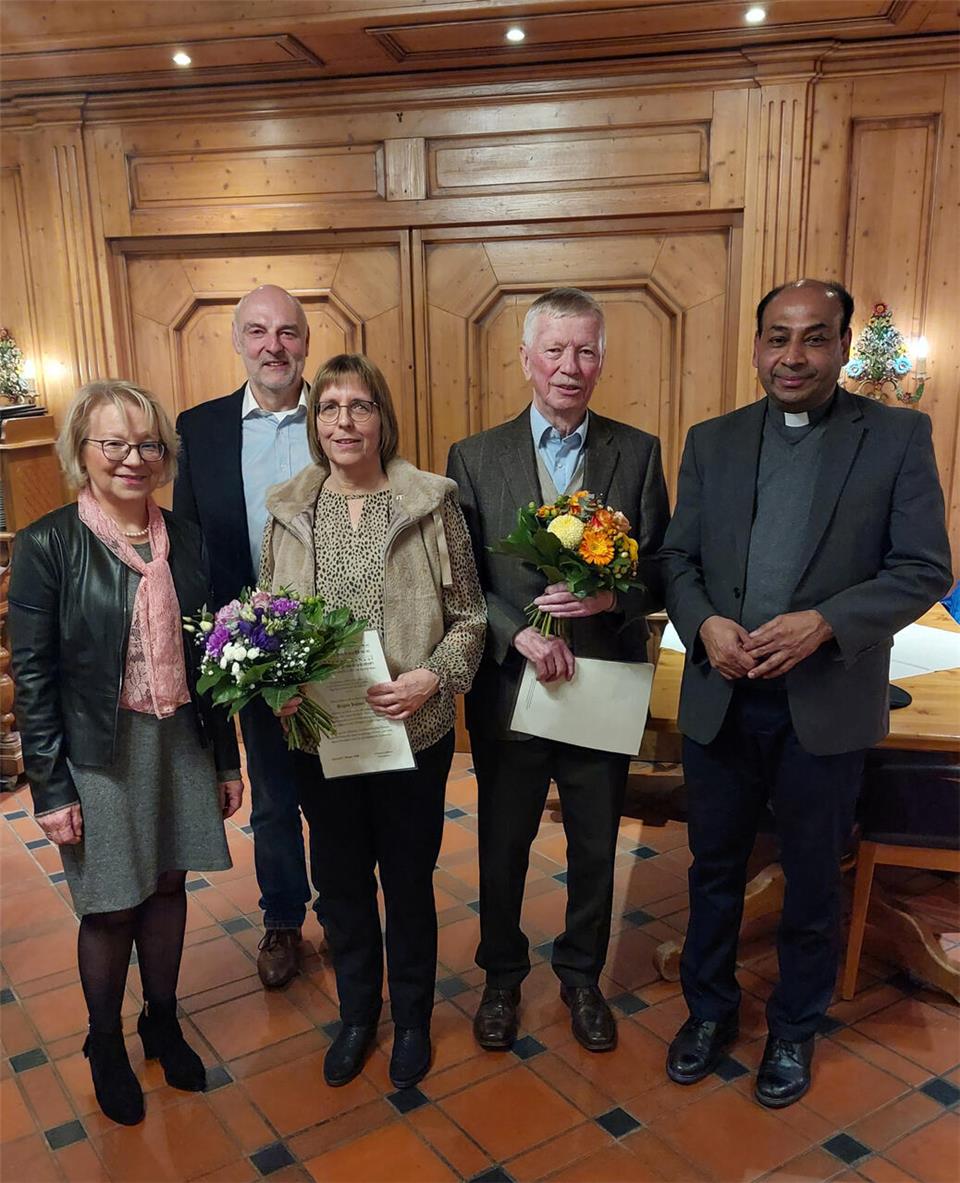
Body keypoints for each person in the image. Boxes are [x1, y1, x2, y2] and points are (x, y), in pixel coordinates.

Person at [661, 279, 953, 1107]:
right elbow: (676, 560)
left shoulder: (895, 437)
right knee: (713, 868)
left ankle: (793, 1026)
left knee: (816, 878)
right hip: (723, 694)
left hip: (824, 702)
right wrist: (704, 623)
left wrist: (825, 622)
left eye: (814, 337)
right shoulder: (712, 440)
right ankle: (709, 1010)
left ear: (842, 347)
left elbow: (923, 567)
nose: (793, 356)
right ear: (757, 345)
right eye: (778, 337)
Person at [9, 381, 243, 1127]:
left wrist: (227, 761)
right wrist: (50, 787)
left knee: (169, 884)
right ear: (81, 450)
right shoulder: (49, 545)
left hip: (181, 739)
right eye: (114, 443)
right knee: (112, 905)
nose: (133, 459)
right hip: (99, 750)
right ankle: (104, 1042)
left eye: (147, 444)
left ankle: (161, 1021)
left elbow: (215, 658)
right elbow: (34, 676)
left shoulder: (189, 539)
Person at [447, 287, 670, 1053]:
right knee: (502, 844)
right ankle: (501, 977)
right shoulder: (475, 457)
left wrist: (613, 595)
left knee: (596, 844)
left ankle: (581, 975)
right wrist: (519, 636)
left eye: (585, 351)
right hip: (512, 688)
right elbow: (462, 578)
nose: (569, 366)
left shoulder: (638, 452)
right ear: (526, 359)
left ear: (602, 360)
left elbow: (662, 569)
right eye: (555, 350)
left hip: (602, 683)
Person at [261, 352, 485, 1090]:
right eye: (329, 408)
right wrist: (275, 686)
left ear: (383, 418)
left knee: (409, 879)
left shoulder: (431, 503)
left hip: (412, 734)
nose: (344, 422)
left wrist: (432, 677)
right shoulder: (289, 510)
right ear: (314, 421)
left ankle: (413, 1017)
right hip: (321, 738)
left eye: (359, 406)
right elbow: (267, 622)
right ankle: (358, 1014)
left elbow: (471, 617)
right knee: (341, 883)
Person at [174, 284, 317, 989]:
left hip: (340, 644)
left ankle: (348, 910)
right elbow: (189, 543)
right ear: (238, 342)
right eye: (258, 331)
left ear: (306, 344)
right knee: (273, 797)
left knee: (344, 791)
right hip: (253, 650)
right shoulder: (199, 430)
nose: (273, 346)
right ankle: (283, 918)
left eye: (287, 332)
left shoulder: (342, 414)